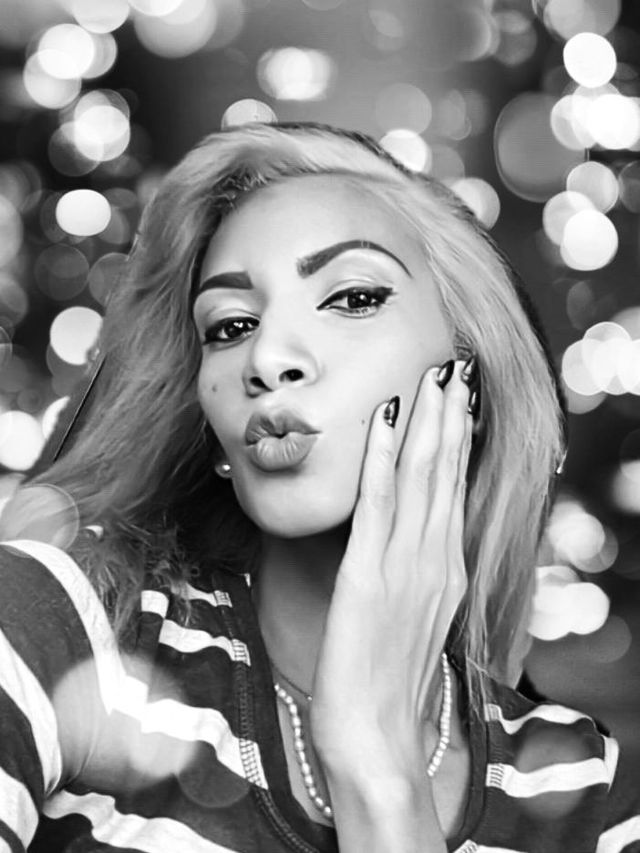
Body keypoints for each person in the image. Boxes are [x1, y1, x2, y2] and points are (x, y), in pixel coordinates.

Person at [0, 121, 638, 853]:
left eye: (354, 297)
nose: (267, 357)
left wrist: (379, 771)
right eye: (231, 325)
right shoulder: (63, 622)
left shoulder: (591, 791)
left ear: (472, 379)